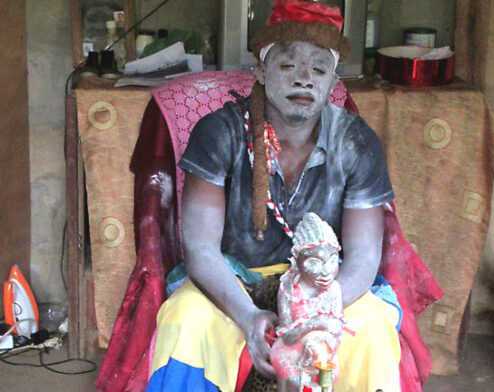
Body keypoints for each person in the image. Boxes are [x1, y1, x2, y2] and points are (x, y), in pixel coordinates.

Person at [145, 1, 401, 391]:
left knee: (372, 329)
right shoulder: (219, 132)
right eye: (287, 66)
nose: (304, 79)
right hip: (234, 283)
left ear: (334, 80)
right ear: (261, 71)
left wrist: (315, 317)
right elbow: (201, 248)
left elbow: (364, 256)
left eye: (319, 69)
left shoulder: (356, 141)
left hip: (323, 290)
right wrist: (248, 316)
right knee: (185, 319)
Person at [271, 212, 345, 391]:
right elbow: (287, 336)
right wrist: (316, 324)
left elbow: (336, 330)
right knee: (294, 381)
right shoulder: (288, 289)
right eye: (314, 263)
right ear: (297, 263)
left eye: (332, 261)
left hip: (324, 349)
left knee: (328, 377)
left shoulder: (334, 290)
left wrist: (321, 342)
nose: (326, 272)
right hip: (292, 351)